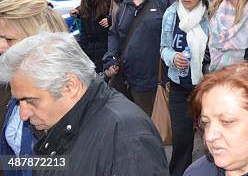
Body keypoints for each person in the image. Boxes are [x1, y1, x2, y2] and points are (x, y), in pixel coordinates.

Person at [0, 33, 168, 175]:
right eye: (18, 102)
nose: (23, 115)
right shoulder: (61, 121)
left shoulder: (127, 140)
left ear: (70, 86)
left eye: (29, 101)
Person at [0, 0, 68, 172]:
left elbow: (67, 164)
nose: (1, 46)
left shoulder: (65, 103)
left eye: (8, 39)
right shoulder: (18, 86)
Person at [103, 0, 176, 116]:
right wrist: (111, 58)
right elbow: (115, 34)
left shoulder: (166, 0)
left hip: (153, 78)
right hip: (126, 76)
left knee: (153, 122)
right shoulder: (126, 4)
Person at [160, 0, 210, 176]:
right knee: (181, 141)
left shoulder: (212, 13)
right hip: (180, 88)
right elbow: (163, 47)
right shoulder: (172, 13)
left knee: (213, 139)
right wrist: (173, 58)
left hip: (207, 88)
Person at [72, 0, 112, 73]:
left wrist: (110, 19)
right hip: (89, 49)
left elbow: (119, 16)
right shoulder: (85, 2)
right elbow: (84, 30)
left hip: (105, 47)